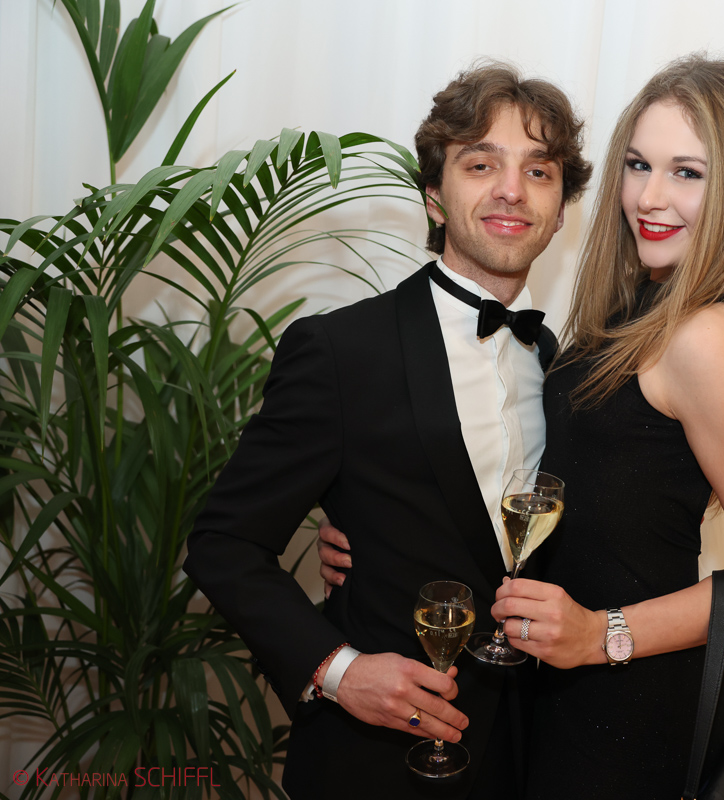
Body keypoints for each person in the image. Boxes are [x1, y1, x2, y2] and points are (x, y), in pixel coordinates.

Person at [321, 55, 724, 797]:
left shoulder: (710, 335)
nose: (650, 197)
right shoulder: (653, 304)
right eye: (638, 165)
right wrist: (381, 524)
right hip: (566, 690)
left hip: (628, 706)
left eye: (688, 173)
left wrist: (601, 636)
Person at [183, 62, 592, 800]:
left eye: (539, 171)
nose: (511, 190)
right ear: (434, 195)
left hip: (521, 754)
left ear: (560, 209)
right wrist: (338, 672)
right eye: (481, 164)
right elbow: (223, 541)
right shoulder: (341, 350)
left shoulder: (556, 363)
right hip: (374, 761)